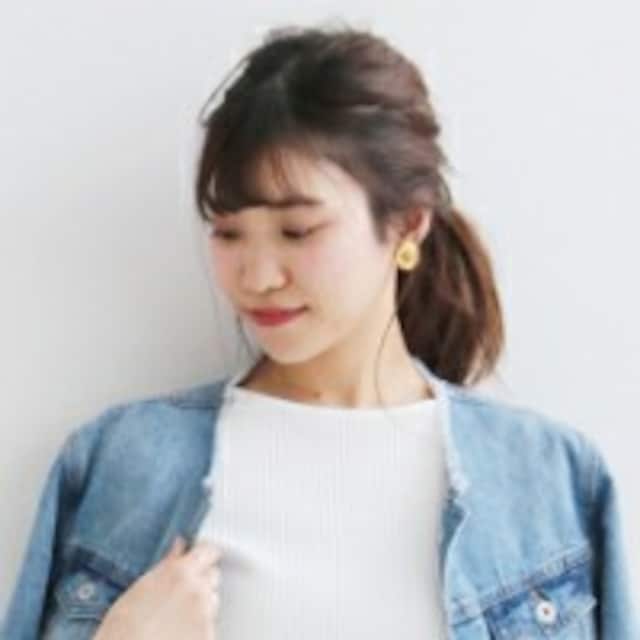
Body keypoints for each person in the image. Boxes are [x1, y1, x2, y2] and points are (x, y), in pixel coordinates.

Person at [2, 22, 637, 640]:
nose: (257, 276)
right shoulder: (120, 462)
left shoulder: (550, 480)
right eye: (228, 232)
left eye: (298, 231)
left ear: (408, 225)